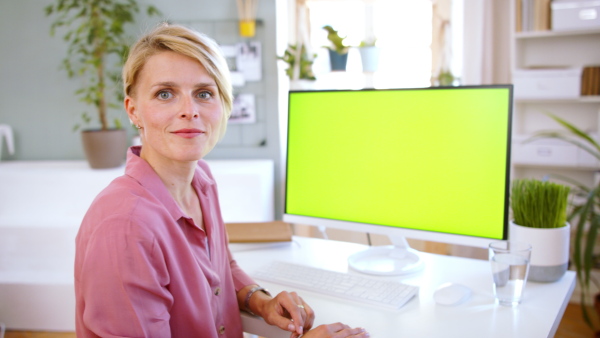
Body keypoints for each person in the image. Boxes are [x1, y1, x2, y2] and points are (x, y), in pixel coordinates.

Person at [74, 23, 370, 338]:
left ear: (224, 106)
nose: (189, 110)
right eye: (165, 93)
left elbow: (220, 269)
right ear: (134, 111)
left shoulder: (200, 179)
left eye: (204, 93)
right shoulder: (126, 226)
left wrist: (260, 300)